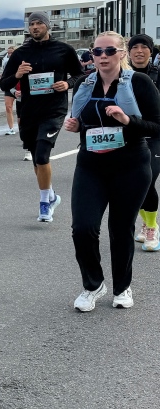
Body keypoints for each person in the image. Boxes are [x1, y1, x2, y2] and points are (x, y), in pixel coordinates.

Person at [65, 31, 160, 311]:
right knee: (82, 228)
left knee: (120, 230)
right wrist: (77, 127)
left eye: (109, 51)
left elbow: (156, 126)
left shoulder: (139, 82)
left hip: (131, 166)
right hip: (91, 166)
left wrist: (128, 120)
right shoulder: (84, 84)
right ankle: (93, 285)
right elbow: (84, 123)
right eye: (97, 52)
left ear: (122, 53)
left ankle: (122, 287)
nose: (103, 56)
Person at [0, 11, 84, 222]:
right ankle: (51, 195)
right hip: (29, 111)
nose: (35, 27)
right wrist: (18, 75)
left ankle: (44, 203)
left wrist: (67, 84)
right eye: (31, 24)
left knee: (42, 155)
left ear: (47, 26)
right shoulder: (21, 53)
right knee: (36, 155)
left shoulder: (63, 50)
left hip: (54, 110)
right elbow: (3, 83)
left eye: (39, 23)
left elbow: (79, 75)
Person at [127, 33, 160, 251]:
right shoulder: (122, 75)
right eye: (135, 47)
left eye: (144, 47)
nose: (139, 51)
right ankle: (146, 222)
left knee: (147, 177)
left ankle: (152, 227)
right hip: (130, 134)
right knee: (134, 183)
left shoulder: (158, 74)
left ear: (151, 51)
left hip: (156, 133)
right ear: (128, 52)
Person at [1, 46, 17, 136]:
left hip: (19, 86)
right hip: (9, 85)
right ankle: (11, 128)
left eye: (12, 53)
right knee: (8, 106)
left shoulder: (20, 60)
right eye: (8, 53)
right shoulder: (5, 61)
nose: (10, 54)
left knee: (23, 108)